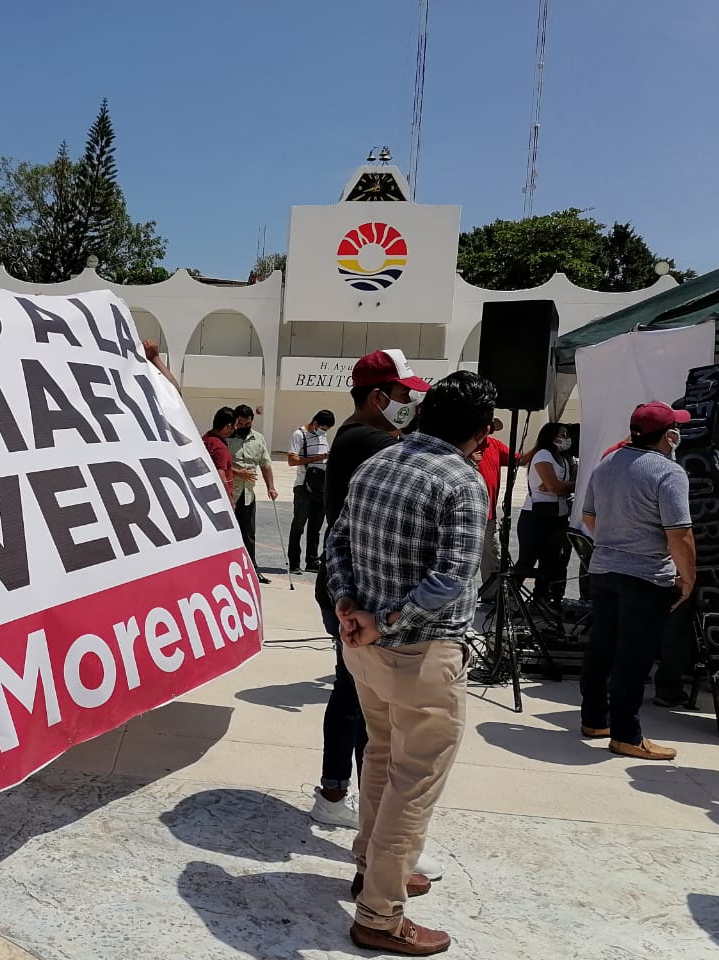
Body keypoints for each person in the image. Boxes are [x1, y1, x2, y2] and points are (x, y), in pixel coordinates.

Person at [325, 370, 494, 956]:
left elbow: (337, 542)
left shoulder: (378, 462)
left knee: (380, 753)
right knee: (414, 780)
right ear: (480, 431)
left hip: (364, 647)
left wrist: (350, 605)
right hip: (420, 652)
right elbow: (451, 578)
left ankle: (373, 865)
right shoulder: (462, 480)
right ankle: (380, 912)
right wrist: (386, 620)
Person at [309, 351, 441, 877]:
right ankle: (382, 832)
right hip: (360, 595)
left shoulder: (353, 436)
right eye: (405, 395)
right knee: (377, 713)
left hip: (348, 589)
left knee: (352, 695)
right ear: (379, 396)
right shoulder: (375, 443)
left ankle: (335, 794)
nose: (411, 404)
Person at [580, 401, 694, 761]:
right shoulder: (668, 472)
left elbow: (588, 516)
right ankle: (627, 734)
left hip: (604, 569)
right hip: (645, 575)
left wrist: (616, 542)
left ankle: (595, 720)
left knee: (602, 647)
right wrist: (687, 578)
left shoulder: (607, 464)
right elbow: (680, 534)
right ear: (668, 435)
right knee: (634, 655)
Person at [511, 422, 576, 605]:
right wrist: (562, 487)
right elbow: (553, 486)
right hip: (536, 516)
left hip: (559, 516)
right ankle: (510, 598)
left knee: (551, 561)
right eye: (562, 434)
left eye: (567, 434)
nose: (566, 438)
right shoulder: (543, 454)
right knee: (528, 560)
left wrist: (564, 487)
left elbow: (569, 484)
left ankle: (541, 599)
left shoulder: (564, 458)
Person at [227, 404, 278, 583]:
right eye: (240, 423)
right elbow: (219, 465)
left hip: (248, 495)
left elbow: (265, 464)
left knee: (248, 533)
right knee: (227, 533)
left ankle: (252, 569)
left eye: (247, 423)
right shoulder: (227, 438)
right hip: (228, 495)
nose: (243, 427)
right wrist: (238, 473)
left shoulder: (258, 439)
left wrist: (271, 487)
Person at [287, 410, 336, 573]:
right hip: (303, 487)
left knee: (315, 528)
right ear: (315, 423)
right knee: (298, 526)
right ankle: (294, 563)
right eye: (323, 428)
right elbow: (292, 460)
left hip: (320, 487)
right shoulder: (299, 435)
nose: (324, 432)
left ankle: (312, 561)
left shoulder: (322, 436)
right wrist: (317, 458)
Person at [472, 418, 511, 599]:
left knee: (490, 554)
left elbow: (517, 459)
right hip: (468, 513)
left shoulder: (494, 445)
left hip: (487, 514)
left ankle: (491, 594)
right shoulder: (464, 446)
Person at [202, 406, 236, 503]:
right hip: (219, 500)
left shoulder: (206, 439)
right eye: (235, 426)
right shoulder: (219, 447)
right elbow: (221, 476)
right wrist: (229, 500)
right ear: (229, 426)